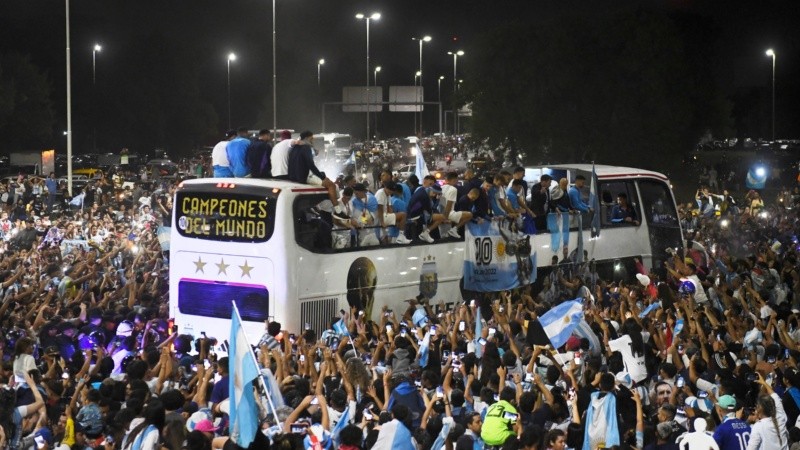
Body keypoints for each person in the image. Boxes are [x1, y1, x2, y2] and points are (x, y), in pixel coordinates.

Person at [287, 131, 350, 221]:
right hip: (304, 177)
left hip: (293, 176)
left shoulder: (294, 148)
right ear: (307, 138)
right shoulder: (306, 147)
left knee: (327, 180)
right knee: (331, 185)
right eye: (311, 139)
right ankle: (338, 211)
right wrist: (321, 176)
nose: (312, 141)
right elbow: (311, 165)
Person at [441, 172, 473, 238]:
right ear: (454, 180)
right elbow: (449, 204)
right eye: (457, 179)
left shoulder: (441, 187)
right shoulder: (453, 189)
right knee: (470, 215)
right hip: (449, 214)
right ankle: (454, 229)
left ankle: (452, 230)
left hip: (441, 213)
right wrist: (445, 218)